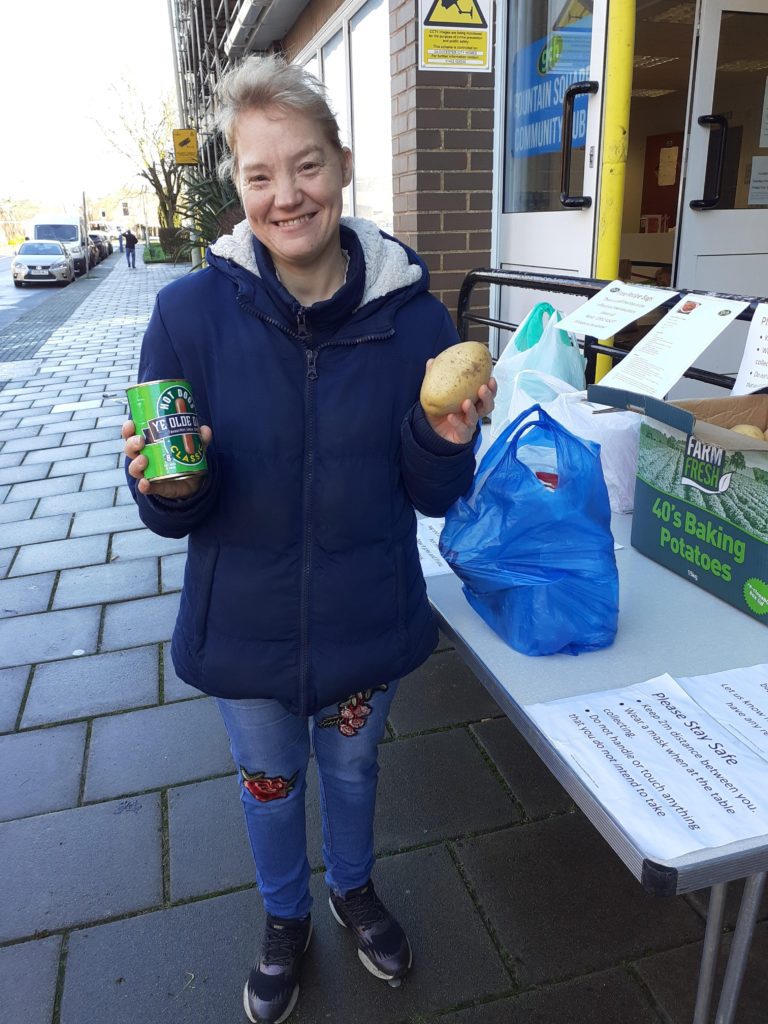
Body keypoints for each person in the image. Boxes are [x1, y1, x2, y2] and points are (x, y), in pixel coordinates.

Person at [122, 53, 495, 1024]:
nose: (287, 195)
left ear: (342, 163)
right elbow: (173, 509)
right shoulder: (186, 317)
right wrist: (171, 478)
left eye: (308, 166)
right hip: (244, 629)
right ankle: (285, 916)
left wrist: (443, 438)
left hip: (365, 613)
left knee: (357, 768)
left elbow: (432, 494)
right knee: (270, 783)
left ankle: (354, 888)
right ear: (237, 185)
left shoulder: (409, 317)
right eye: (260, 174)